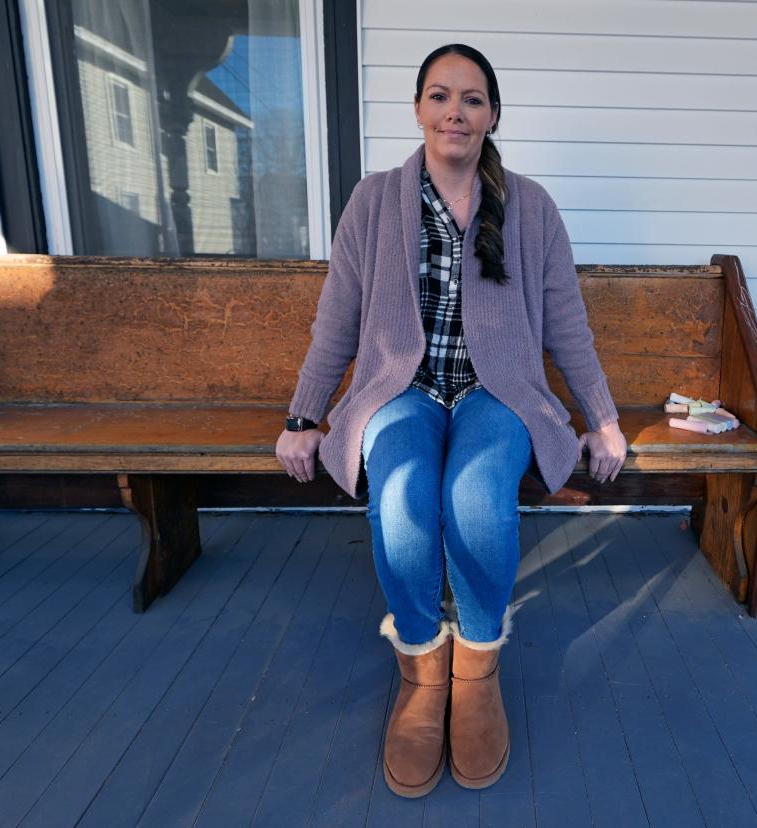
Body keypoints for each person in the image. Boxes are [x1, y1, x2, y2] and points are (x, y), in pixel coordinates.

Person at [274, 43, 627, 798]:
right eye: (440, 96)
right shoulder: (374, 200)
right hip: (398, 391)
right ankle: (421, 669)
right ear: (417, 109)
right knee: (401, 496)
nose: (455, 112)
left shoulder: (529, 206)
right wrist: (305, 413)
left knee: (475, 498)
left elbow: (567, 319)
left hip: (496, 394)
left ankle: (476, 668)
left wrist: (601, 416)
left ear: (493, 114)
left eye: (471, 99)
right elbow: (336, 316)